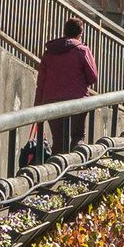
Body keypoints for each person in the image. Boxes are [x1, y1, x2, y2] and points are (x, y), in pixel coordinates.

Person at [35, 19, 99, 153]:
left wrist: (38, 105)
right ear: (80, 34)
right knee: (77, 137)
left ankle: (57, 169)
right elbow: (93, 77)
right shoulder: (82, 50)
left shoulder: (49, 52)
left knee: (58, 141)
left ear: (64, 31)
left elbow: (41, 81)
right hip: (77, 101)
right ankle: (76, 169)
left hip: (52, 102)